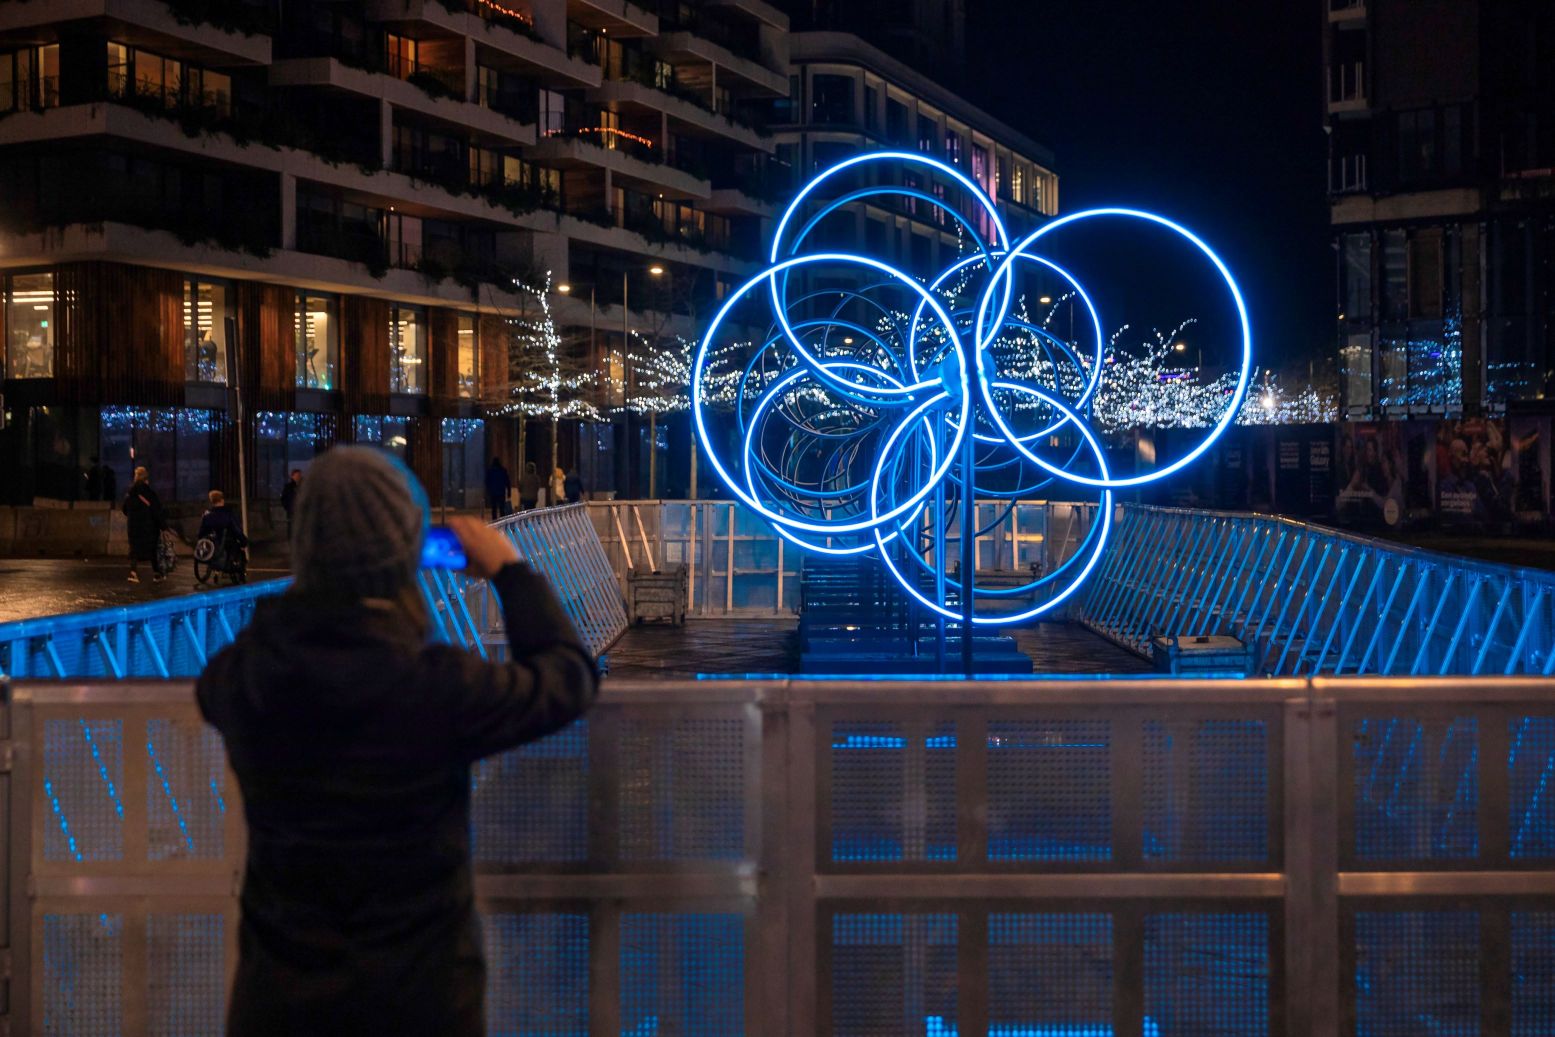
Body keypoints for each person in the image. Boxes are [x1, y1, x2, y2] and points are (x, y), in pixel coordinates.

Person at [195, 446, 598, 1037]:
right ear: (404, 554)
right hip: (421, 1002)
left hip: (280, 1005)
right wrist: (511, 572)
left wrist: (311, 594)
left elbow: (231, 669)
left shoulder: (248, 678)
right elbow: (568, 677)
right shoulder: (436, 686)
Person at [121, 466, 165, 584]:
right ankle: (157, 573)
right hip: (149, 527)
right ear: (146, 479)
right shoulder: (150, 493)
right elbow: (157, 510)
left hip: (134, 526)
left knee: (134, 550)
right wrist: (163, 525)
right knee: (152, 550)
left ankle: (133, 573)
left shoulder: (130, 493)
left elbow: (125, 510)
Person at [197, 489, 249, 575]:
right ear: (222, 500)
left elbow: (201, 533)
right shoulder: (228, 514)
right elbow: (236, 529)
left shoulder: (207, 516)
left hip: (213, 544)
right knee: (238, 546)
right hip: (228, 543)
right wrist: (244, 541)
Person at [281, 469, 303, 539]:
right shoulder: (288, 487)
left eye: (299, 475)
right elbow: (283, 499)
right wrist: (288, 508)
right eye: (296, 475)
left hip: (302, 512)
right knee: (292, 529)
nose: (298, 477)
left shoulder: (304, 486)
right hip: (292, 512)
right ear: (292, 476)